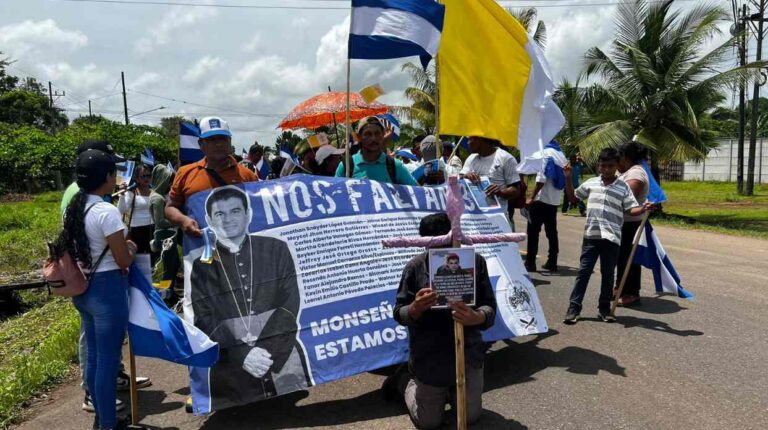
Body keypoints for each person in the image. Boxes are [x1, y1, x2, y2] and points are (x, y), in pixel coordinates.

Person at [189, 186, 309, 409]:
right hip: (231, 360)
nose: (227, 219)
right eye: (219, 214)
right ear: (209, 220)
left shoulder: (276, 249)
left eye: (235, 211)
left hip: (280, 351)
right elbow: (204, 318)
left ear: (248, 214)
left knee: (283, 405)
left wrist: (268, 350)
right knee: (241, 412)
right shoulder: (202, 265)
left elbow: (290, 303)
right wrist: (243, 354)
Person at [55, 149, 144, 430]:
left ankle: (103, 418)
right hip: (107, 290)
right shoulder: (106, 211)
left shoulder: (74, 208)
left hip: (84, 290)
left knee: (94, 357)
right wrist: (131, 247)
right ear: (107, 177)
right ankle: (109, 424)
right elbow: (123, 259)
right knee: (107, 360)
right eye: (114, 172)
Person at [385, 213, 496, 429]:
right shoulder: (415, 267)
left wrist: (477, 317)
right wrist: (415, 308)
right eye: (435, 248)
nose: (444, 252)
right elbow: (399, 312)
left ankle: (451, 393)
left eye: (448, 245)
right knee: (429, 423)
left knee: (470, 417)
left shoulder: (475, 263)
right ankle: (404, 380)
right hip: (430, 357)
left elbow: (489, 306)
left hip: (468, 354)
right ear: (425, 244)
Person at [562, 148, 653, 324]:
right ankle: (574, 308)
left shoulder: (623, 187)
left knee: (608, 274)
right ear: (598, 166)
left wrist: (643, 208)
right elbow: (573, 198)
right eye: (602, 166)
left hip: (612, 238)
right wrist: (568, 178)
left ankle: (604, 309)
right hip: (591, 237)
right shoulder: (591, 183)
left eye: (610, 166)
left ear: (616, 166)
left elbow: (631, 209)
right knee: (583, 272)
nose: (606, 169)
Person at [165, 116, 258, 239]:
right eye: (212, 140)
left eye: (222, 138)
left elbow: (258, 210)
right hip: (200, 245)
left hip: (242, 245)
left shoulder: (248, 175)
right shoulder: (184, 173)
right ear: (200, 144)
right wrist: (182, 220)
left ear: (230, 141)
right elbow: (170, 207)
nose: (218, 144)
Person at [615, 142, 651, 307]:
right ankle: (620, 288)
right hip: (622, 222)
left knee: (629, 259)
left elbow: (627, 196)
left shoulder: (636, 172)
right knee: (620, 258)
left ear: (626, 157)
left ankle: (631, 293)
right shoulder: (625, 171)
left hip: (632, 223)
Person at [335, 116, 418, 185]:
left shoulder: (395, 166)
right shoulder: (347, 166)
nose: (373, 138)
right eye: (368, 134)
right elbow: (336, 194)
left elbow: (418, 192)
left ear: (383, 135)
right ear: (359, 137)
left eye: (377, 133)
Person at [525, 141, 567, 273]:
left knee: (533, 232)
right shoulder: (561, 155)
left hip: (541, 199)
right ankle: (552, 262)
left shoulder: (545, 153)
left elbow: (541, 178)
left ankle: (530, 263)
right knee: (552, 233)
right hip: (554, 200)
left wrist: (531, 197)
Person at [460, 136, 522, 217]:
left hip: (496, 218)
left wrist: (500, 192)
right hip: (473, 217)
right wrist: (466, 176)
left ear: (480, 139)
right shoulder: (471, 158)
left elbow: (516, 189)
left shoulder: (506, 158)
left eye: (470, 139)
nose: (468, 143)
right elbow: (459, 179)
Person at [148, 163, 179, 295]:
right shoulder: (157, 198)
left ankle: (168, 290)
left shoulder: (157, 196)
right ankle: (165, 291)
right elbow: (159, 221)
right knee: (169, 266)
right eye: (168, 180)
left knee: (174, 264)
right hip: (164, 235)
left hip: (167, 235)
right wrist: (176, 221)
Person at [117, 164, 155, 262]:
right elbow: (121, 210)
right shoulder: (132, 191)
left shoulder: (154, 191)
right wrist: (122, 195)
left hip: (152, 229)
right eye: (143, 176)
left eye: (148, 175)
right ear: (137, 178)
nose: (146, 178)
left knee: (153, 257)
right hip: (137, 230)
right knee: (139, 259)